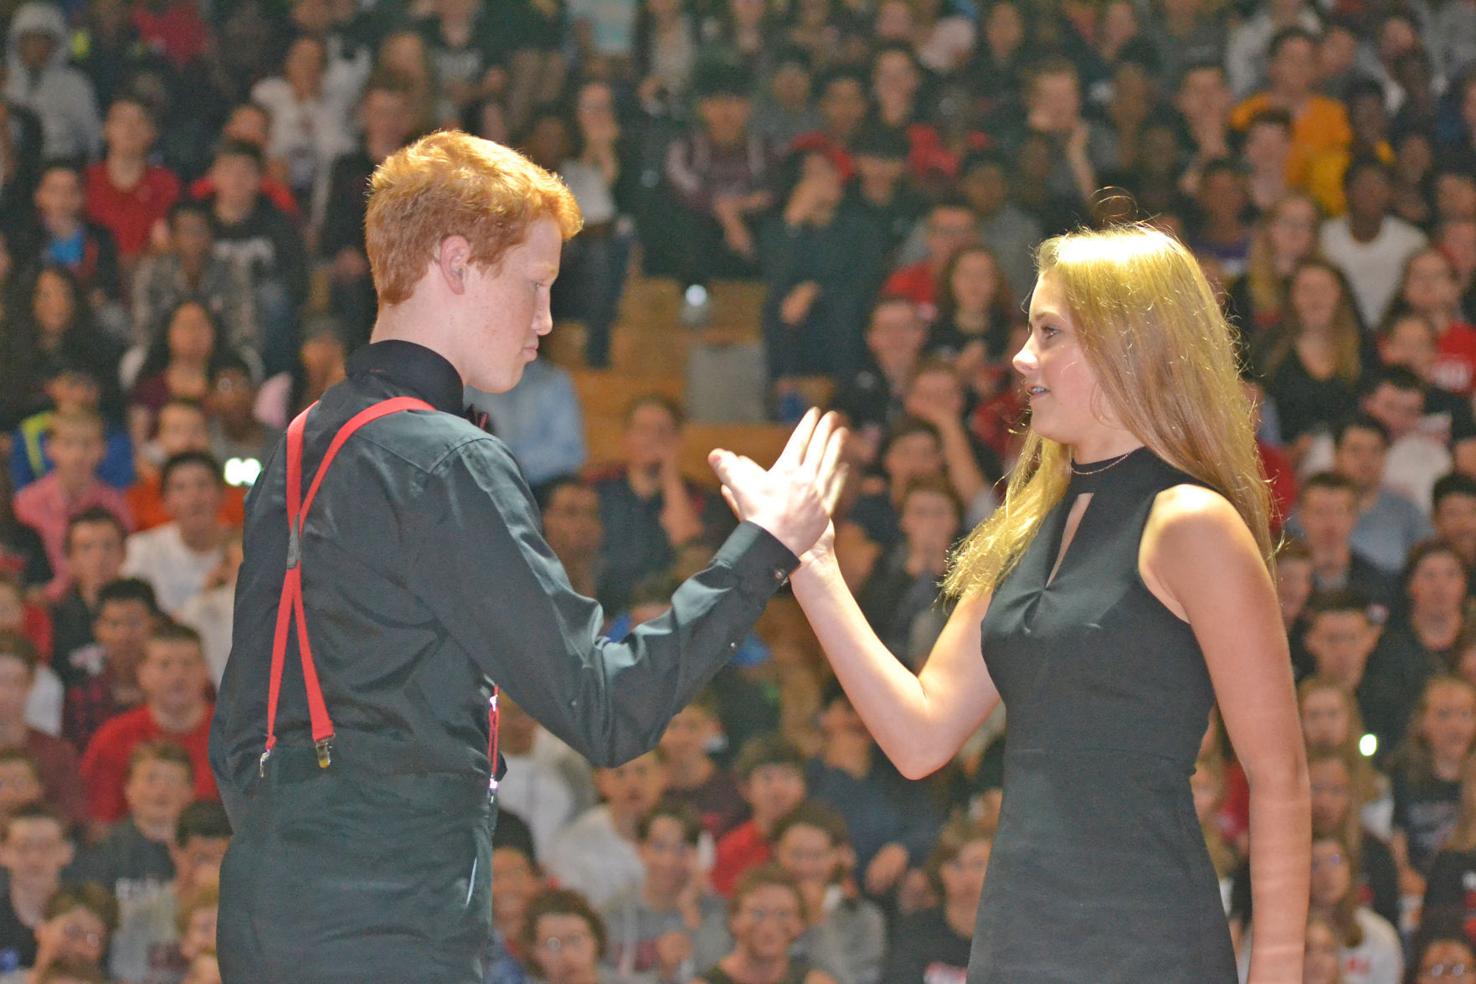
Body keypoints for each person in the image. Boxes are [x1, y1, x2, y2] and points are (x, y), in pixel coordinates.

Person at [209, 130, 840, 983]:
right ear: (458, 262)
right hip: (391, 921)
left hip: (267, 907)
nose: (547, 320)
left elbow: (240, 729)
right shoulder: (446, 459)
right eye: (536, 285)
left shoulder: (302, 440)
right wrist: (762, 549)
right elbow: (605, 709)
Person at [740, 226, 1309, 980]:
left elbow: (1279, 777)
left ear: (1127, 345)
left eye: (1049, 333)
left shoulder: (1190, 523)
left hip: (1145, 942)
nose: (1020, 357)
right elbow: (920, 738)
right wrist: (812, 564)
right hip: (1016, 936)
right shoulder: (1024, 523)